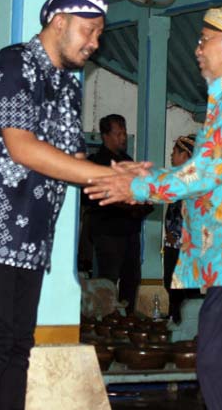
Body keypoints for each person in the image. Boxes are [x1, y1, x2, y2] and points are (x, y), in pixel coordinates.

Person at [85, 4, 222, 410]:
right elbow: (215, 168)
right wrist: (149, 176)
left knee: (221, 367)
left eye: (205, 40)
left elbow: (206, 172)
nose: (198, 49)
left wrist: (137, 185)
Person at [0, 0, 123, 410]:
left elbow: (73, 161)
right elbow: (22, 147)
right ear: (59, 22)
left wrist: (123, 179)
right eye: (89, 31)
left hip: (32, 236)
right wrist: (104, 175)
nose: (95, 43)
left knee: (18, 347)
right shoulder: (13, 64)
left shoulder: (67, 87)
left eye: (99, 34)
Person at [86, 114, 153, 314]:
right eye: (118, 133)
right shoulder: (97, 163)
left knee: (131, 279)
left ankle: (127, 318)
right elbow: (97, 196)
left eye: (124, 133)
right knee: (108, 280)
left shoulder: (127, 161)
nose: (123, 138)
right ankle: (105, 320)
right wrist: (130, 207)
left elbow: (138, 191)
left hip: (130, 231)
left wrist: (144, 204)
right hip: (108, 231)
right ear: (105, 135)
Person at [163, 133, 196, 323]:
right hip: (173, 245)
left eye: (175, 152)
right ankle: (175, 325)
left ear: (184, 156)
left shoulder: (194, 182)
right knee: (172, 287)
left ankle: (184, 327)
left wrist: (179, 236)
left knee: (185, 291)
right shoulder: (179, 180)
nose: (171, 155)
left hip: (186, 248)